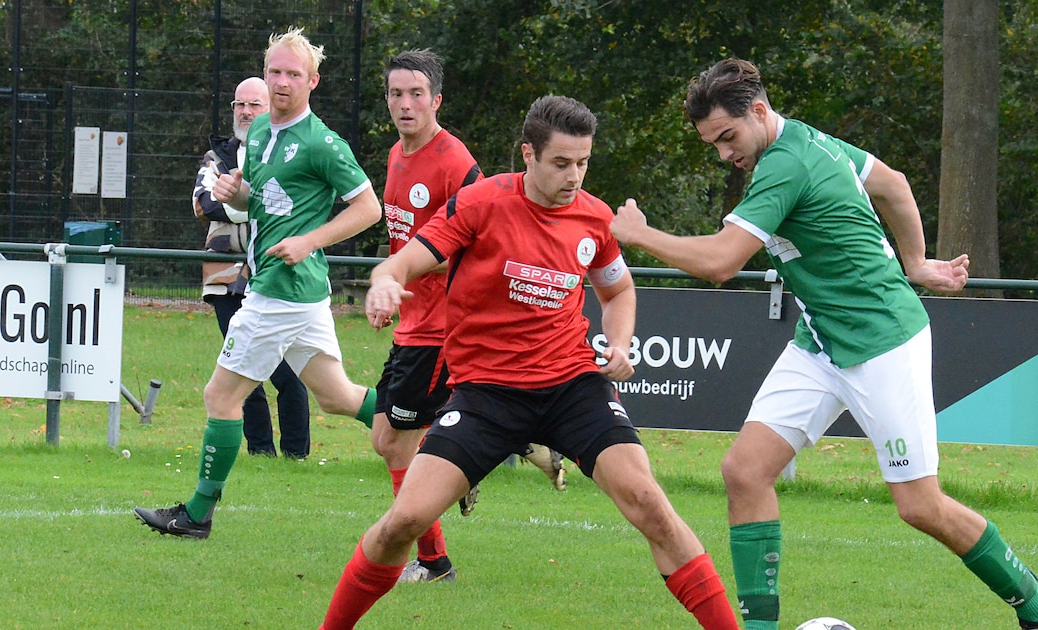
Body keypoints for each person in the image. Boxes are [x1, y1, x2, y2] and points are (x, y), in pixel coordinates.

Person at [610, 58, 1038, 630]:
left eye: (727, 137)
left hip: (882, 341)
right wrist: (917, 261)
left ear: (758, 111)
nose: (725, 154)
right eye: (713, 145)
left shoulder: (786, 164)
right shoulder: (806, 138)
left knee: (919, 506)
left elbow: (721, 263)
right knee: (745, 471)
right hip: (821, 340)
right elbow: (893, 185)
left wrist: (637, 235)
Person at [320, 95, 739, 629]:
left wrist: (621, 343)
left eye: (583, 162)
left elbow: (618, 292)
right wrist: (383, 285)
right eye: (562, 163)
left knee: (648, 502)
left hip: (573, 386)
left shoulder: (594, 218)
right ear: (529, 155)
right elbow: (399, 264)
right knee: (403, 521)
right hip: (486, 394)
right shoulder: (480, 203)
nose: (574, 176)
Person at [134, 26, 381, 539]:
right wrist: (237, 193)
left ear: (313, 81)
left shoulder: (323, 143)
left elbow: (368, 208)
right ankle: (440, 439)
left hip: (280, 289)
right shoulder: (263, 130)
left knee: (219, 397)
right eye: (275, 72)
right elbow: (262, 202)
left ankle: (197, 515)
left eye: (294, 74)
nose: (282, 82)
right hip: (299, 291)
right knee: (337, 397)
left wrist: (310, 241)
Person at [371, 49, 570, 584]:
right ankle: (493, 450)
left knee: (395, 440)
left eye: (416, 94)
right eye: (396, 93)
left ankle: (434, 560)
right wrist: (390, 289)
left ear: (437, 100)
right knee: (386, 434)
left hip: (438, 327)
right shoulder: (396, 155)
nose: (405, 104)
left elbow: (480, 236)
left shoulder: (455, 161)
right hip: (411, 320)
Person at [192, 76, 312, 460]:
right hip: (224, 281)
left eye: (254, 105)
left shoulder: (288, 152)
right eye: (239, 105)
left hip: (276, 277)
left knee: (288, 373)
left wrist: (242, 202)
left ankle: (297, 455)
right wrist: (259, 206)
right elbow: (202, 204)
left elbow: (296, 205)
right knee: (241, 373)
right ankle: (261, 452)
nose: (245, 112)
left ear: (270, 108)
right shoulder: (216, 158)